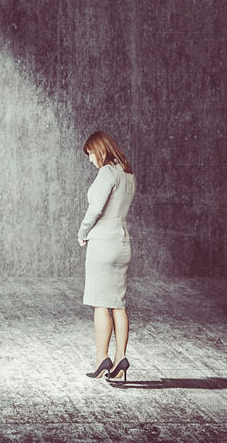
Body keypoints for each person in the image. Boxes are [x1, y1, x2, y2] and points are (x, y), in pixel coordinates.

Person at [77, 130, 136, 384]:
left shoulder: (107, 173)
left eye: (91, 154)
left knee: (101, 303)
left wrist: (82, 232)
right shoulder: (128, 174)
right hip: (122, 243)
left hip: (102, 243)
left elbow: (96, 208)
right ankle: (120, 359)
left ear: (100, 149)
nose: (90, 160)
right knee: (118, 304)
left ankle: (102, 357)